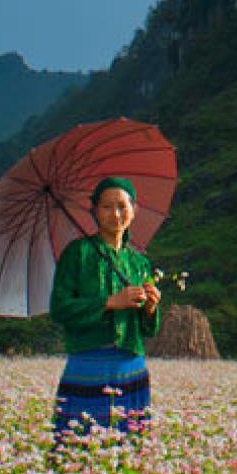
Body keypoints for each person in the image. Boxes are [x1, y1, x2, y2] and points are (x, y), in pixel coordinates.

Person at [49, 176, 161, 448]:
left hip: (131, 366)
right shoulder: (78, 253)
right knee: (78, 447)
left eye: (123, 206)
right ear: (94, 211)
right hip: (88, 364)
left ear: (134, 210)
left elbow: (149, 329)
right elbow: (60, 309)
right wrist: (110, 302)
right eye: (107, 207)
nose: (116, 214)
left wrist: (151, 308)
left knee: (129, 448)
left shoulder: (139, 262)